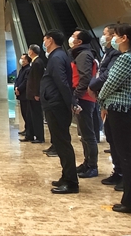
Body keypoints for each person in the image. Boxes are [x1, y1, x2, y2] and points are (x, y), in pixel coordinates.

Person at [98, 23, 131, 215]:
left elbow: (111, 83)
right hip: (126, 110)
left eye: (115, 36)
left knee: (125, 156)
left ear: (124, 38)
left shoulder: (126, 58)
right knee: (126, 155)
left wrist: (100, 100)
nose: (112, 39)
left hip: (120, 110)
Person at [41, 30, 78, 194]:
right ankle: (66, 176)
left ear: (50, 40)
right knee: (60, 142)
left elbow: (62, 82)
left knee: (62, 143)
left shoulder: (56, 57)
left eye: (45, 39)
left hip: (57, 105)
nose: (44, 42)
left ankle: (71, 182)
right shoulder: (58, 56)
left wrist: (70, 102)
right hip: (55, 103)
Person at [91, 24, 121, 184]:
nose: (103, 37)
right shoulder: (108, 53)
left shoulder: (119, 55)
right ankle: (118, 171)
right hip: (108, 101)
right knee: (112, 138)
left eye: (106, 34)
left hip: (118, 103)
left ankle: (122, 175)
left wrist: (93, 86)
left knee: (120, 142)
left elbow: (109, 77)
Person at [69, 29, 99, 178]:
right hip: (83, 97)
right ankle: (87, 162)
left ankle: (92, 165)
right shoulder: (81, 54)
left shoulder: (83, 55)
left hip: (84, 98)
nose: (71, 38)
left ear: (79, 41)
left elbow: (85, 78)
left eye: (73, 36)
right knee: (84, 133)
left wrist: (75, 96)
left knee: (88, 134)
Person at [21, 45, 47, 143]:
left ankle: (40, 137)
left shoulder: (37, 63)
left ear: (32, 51)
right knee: (30, 115)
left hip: (34, 95)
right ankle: (30, 135)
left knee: (36, 116)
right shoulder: (34, 62)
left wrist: (37, 93)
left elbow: (37, 79)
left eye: (29, 50)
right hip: (30, 95)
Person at [14, 53, 32, 137]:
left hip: (25, 95)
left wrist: (19, 89)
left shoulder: (28, 69)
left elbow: (25, 81)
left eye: (23, 59)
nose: (21, 60)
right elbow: (17, 80)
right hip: (20, 95)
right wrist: (16, 88)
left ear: (27, 60)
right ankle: (26, 129)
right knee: (23, 113)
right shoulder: (22, 69)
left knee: (27, 113)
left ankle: (29, 130)